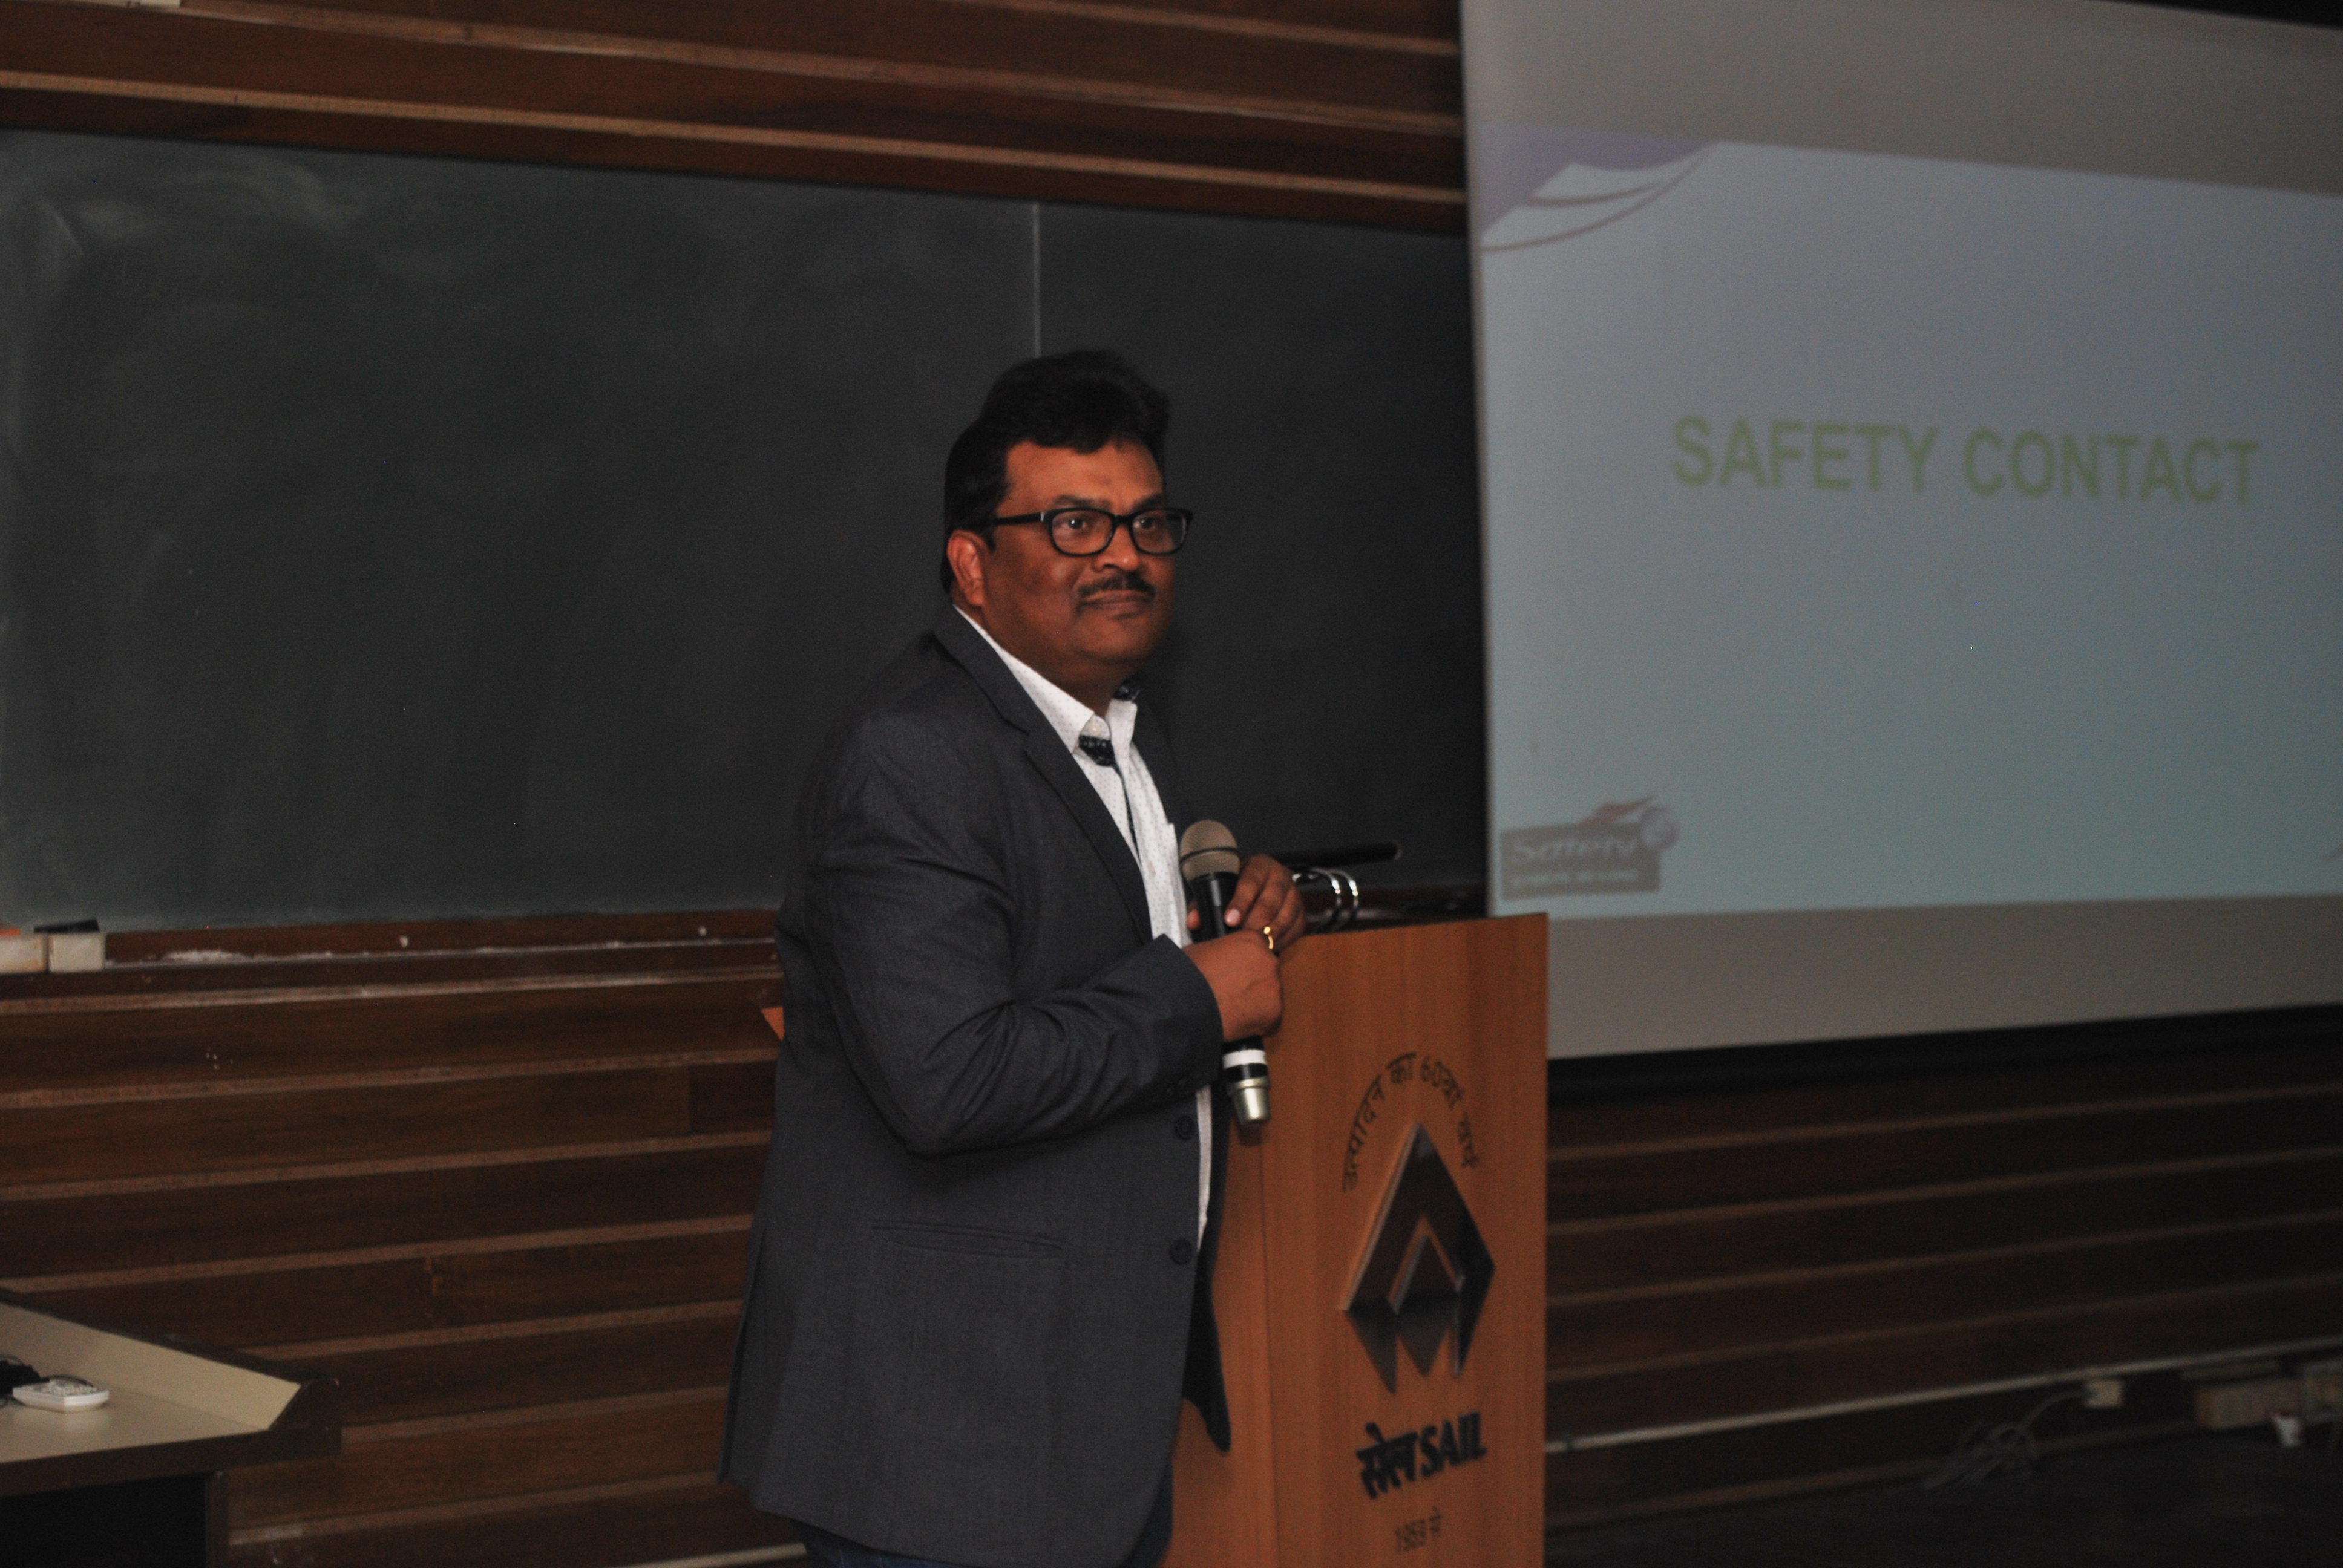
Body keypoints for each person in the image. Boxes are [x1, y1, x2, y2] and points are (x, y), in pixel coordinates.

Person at [721, 351, 1307, 1568]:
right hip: (947, 1434)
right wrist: (1196, 999)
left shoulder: (1121, 734)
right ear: (973, 566)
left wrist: (1233, 915)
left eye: (1148, 523)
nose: (1124, 556)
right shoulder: (912, 757)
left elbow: (1093, 943)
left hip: (1076, 1410)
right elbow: (949, 1078)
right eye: (1075, 524)